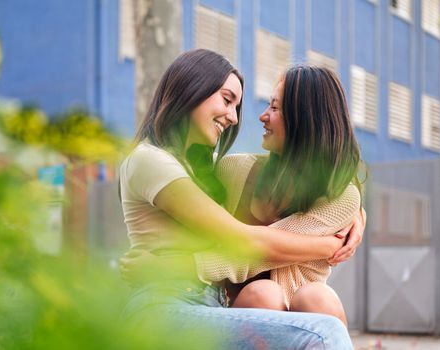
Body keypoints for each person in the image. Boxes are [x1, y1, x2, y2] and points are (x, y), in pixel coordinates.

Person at [119, 49, 358, 349]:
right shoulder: (151, 161)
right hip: (164, 306)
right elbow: (245, 241)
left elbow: (324, 182)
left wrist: (356, 216)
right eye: (227, 99)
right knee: (322, 334)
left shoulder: (201, 167)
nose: (234, 117)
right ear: (193, 88)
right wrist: (331, 245)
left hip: (206, 305)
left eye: (237, 105)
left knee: (311, 304)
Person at [191, 66, 365, 326]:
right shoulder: (232, 170)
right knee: (262, 295)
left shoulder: (340, 197)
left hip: (301, 321)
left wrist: (188, 266)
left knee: (316, 297)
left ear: (305, 120)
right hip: (230, 317)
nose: (263, 116)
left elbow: (263, 248)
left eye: (274, 108)